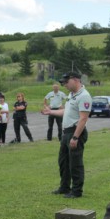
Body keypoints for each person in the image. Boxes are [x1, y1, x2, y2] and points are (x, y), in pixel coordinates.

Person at [41, 71, 91, 199]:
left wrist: (75, 137)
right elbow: (66, 111)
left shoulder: (84, 96)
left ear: (75, 80)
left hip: (75, 132)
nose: (65, 85)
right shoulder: (71, 95)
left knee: (75, 163)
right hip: (66, 132)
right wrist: (50, 112)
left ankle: (77, 191)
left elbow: (83, 119)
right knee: (63, 162)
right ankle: (64, 187)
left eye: (66, 82)